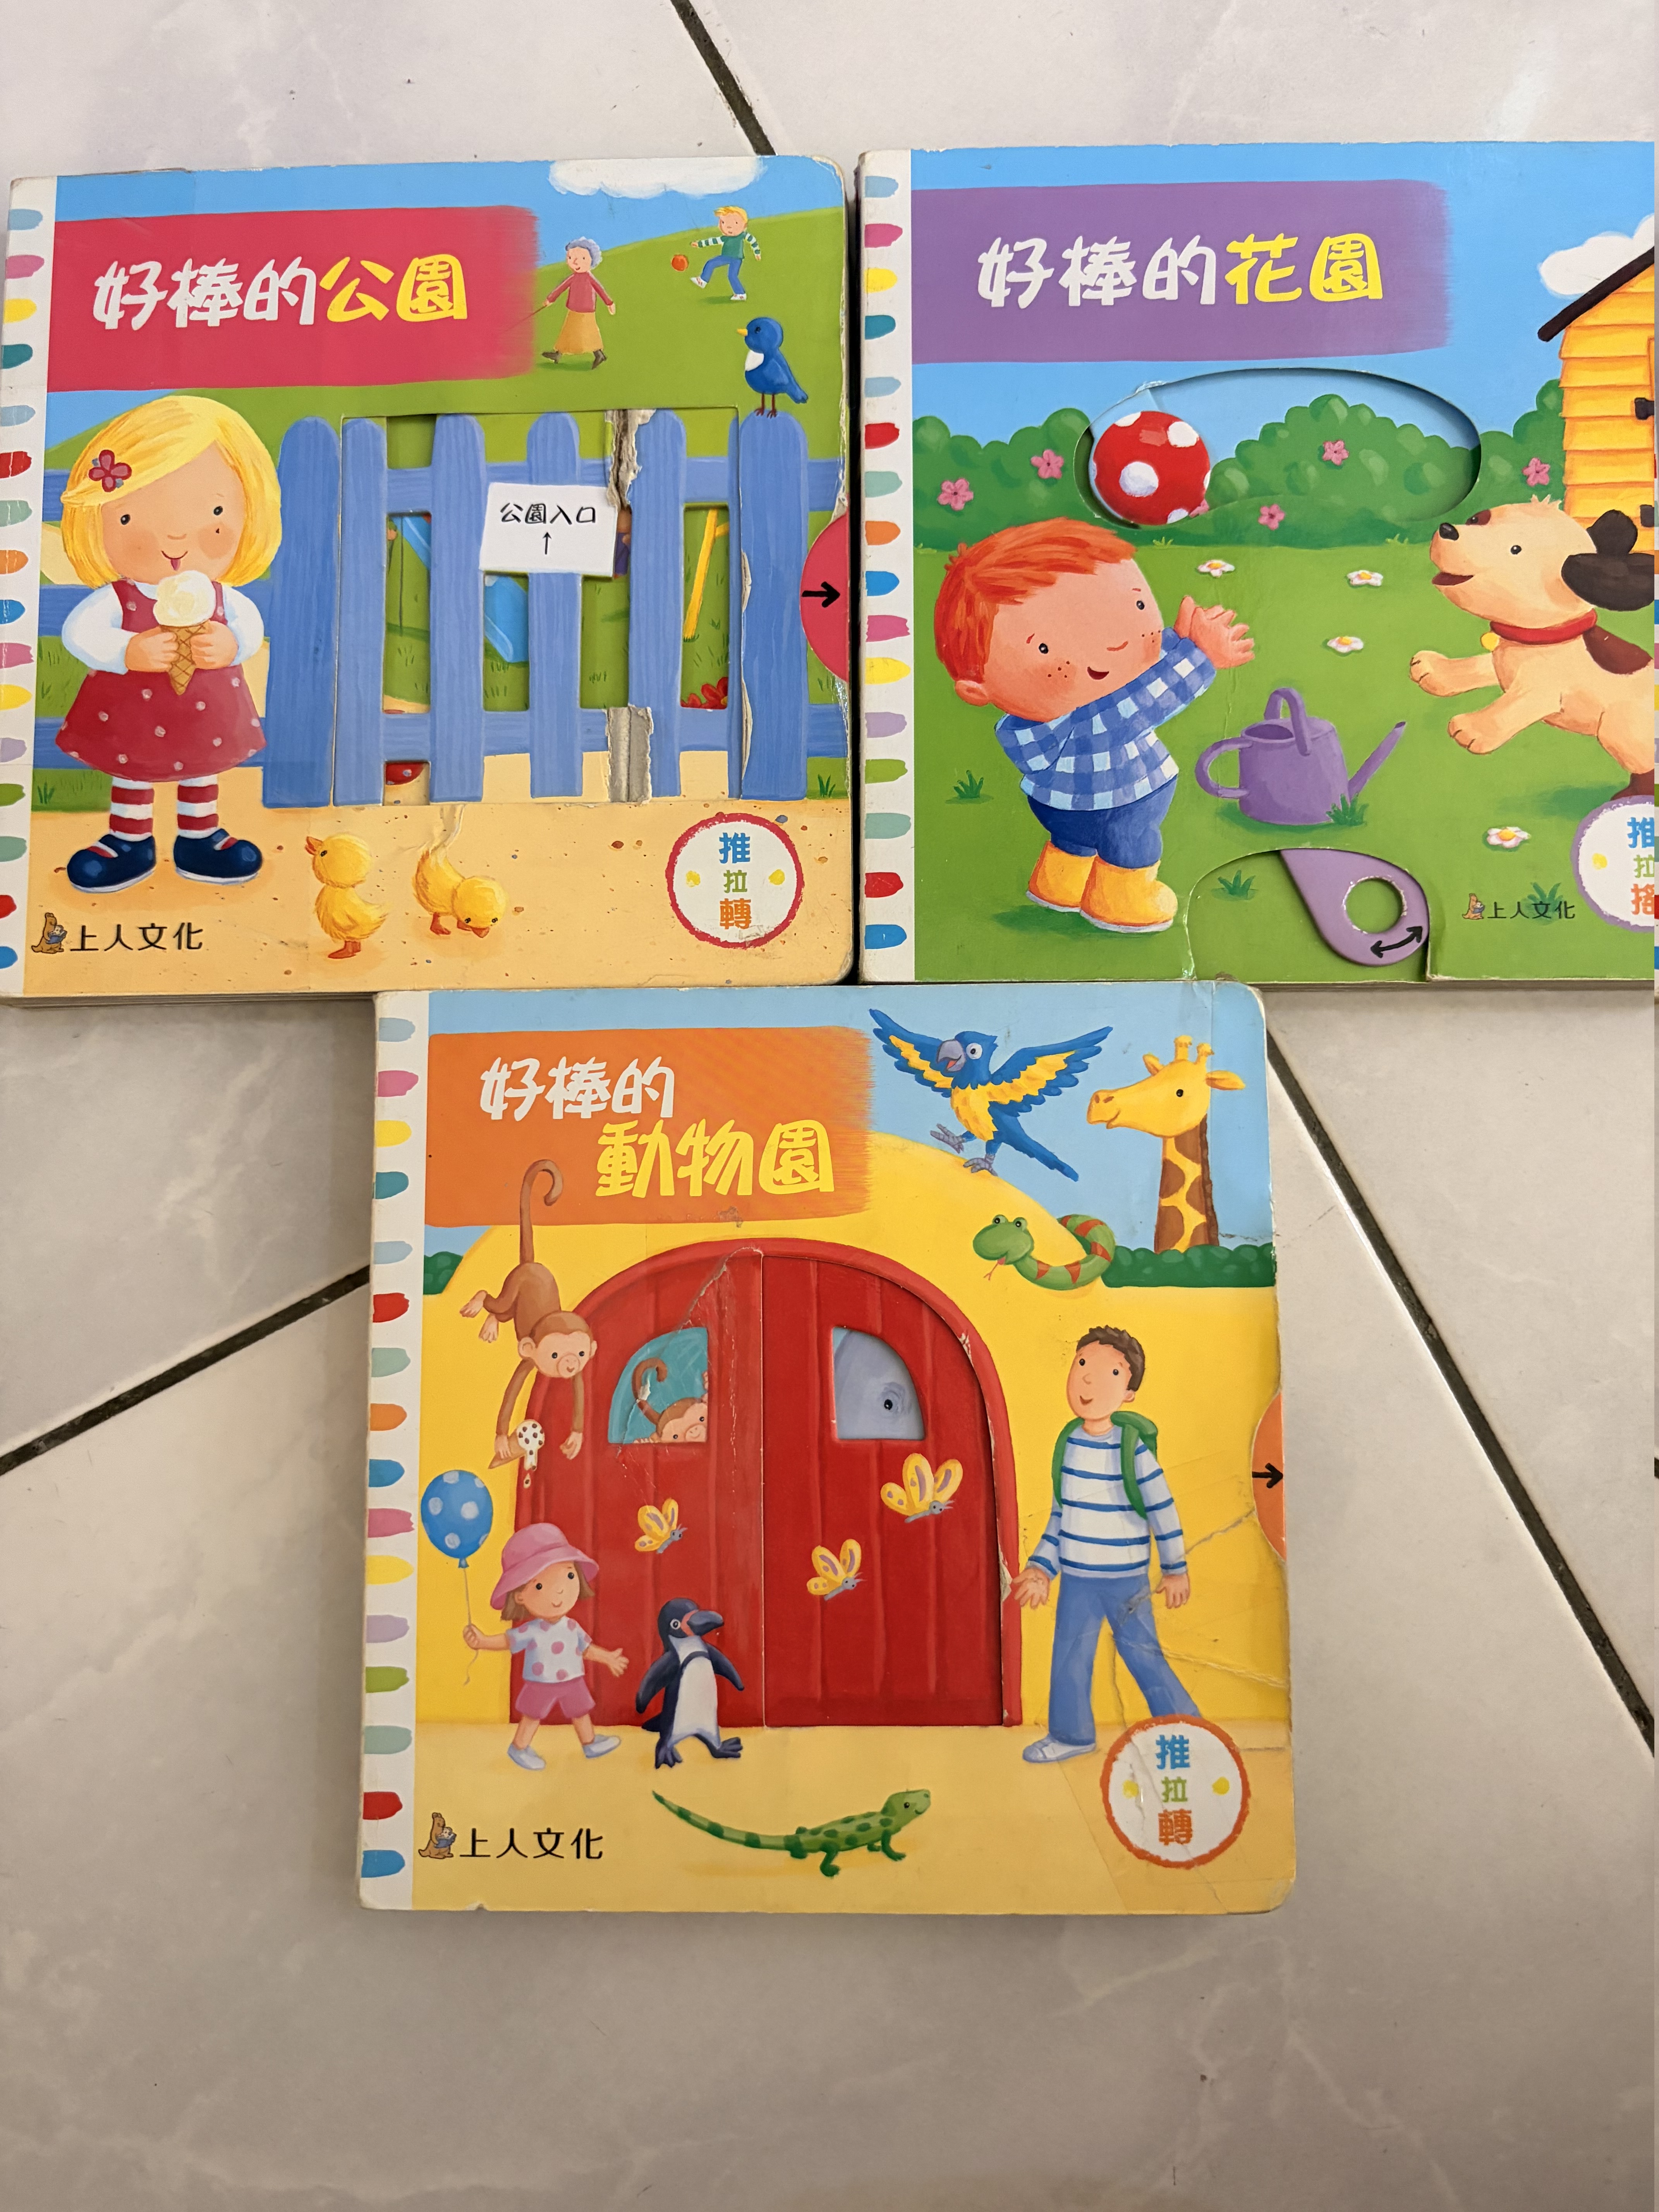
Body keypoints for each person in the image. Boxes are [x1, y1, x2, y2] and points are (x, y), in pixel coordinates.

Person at [933, 516, 1253, 934]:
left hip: (1056, 808)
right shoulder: (1095, 719)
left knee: (1073, 843)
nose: (1114, 642)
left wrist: (1177, 642)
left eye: (1137, 606)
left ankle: (1059, 884)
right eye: (1044, 647)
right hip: (1120, 801)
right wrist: (1202, 657)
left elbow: (1129, 669)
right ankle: (1123, 899)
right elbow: (1144, 701)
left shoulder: (1036, 723)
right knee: (1129, 840)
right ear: (977, 691)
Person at [55, 395, 281, 892]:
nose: (175, 536)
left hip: (204, 713)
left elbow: (249, 628)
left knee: (202, 769)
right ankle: (129, 840)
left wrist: (232, 643)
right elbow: (80, 633)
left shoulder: (223, 597)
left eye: (216, 510)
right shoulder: (118, 598)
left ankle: (200, 838)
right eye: (130, 517)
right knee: (132, 768)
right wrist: (126, 652)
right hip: (131, 710)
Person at [1012, 1326, 1199, 1763]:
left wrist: (1175, 1569)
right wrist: (1041, 1568)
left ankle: (1189, 1731)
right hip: (1077, 1579)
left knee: (1143, 1657)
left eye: (1110, 1373)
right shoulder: (1068, 1445)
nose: (1088, 1379)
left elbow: (1163, 1510)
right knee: (1069, 1659)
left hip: (1125, 1580)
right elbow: (1060, 1516)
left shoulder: (1133, 1451)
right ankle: (1071, 1735)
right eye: (1081, 1364)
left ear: (1129, 1393)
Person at [465, 1523, 629, 1769]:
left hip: (572, 1679)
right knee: (532, 1715)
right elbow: (508, 1641)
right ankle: (519, 1747)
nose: (560, 1590)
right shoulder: (532, 1630)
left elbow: (586, 1649)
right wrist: (483, 1642)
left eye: (569, 1576)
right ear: (520, 1596)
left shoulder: (572, 1627)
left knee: (580, 1711)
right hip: (540, 1682)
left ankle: (590, 1743)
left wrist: (608, 1658)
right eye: (540, 1586)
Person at [542, 238, 615, 368]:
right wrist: (550, 299)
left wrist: (609, 303)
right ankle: (558, 354)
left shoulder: (590, 278)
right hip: (573, 309)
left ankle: (599, 354)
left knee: (589, 333)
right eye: (571, 258)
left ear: (592, 260)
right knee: (568, 332)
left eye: (582, 258)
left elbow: (600, 290)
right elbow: (561, 288)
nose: (575, 262)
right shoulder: (573, 278)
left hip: (586, 310)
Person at [689, 206, 762, 301]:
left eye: (736, 223)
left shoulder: (743, 235)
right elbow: (712, 241)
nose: (729, 227)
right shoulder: (725, 238)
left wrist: (757, 253)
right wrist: (699, 244)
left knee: (732, 276)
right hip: (726, 257)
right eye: (724, 223)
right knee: (711, 263)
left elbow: (753, 242)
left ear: (744, 226)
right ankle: (703, 281)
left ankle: (741, 294)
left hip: (737, 259)